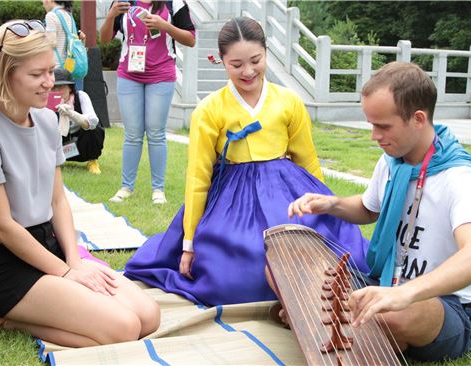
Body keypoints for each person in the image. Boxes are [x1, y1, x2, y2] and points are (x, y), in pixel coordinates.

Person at [123, 17, 369, 306]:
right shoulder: (209, 109)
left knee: (326, 256)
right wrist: (188, 245)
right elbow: (198, 177)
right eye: (236, 65)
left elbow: (307, 161)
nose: (248, 71)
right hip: (233, 199)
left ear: (266, 53)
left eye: (256, 60)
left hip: (287, 191)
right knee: (235, 278)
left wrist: (324, 208)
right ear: (221, 61)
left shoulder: (289, 101)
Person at [0, 19, 159, 347]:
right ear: (4, 75)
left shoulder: (49, 119)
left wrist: (75, 261)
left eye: (51, 71)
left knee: (148, 317)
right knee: (123, 329)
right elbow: (2, 227)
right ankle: (6, 319)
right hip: (7, 267)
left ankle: (35, 305)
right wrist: (66, 273)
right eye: (37, 75)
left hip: (53, 249)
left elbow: (58, 201)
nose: (49, 83)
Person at [288, 62, 471, 362]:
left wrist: (404, 294)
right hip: (386, 284)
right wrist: (331, 204)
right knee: (291, 271)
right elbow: (370, 209)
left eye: (383, 126)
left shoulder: (461, 177)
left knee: (392, 313)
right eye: (371, 124)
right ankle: (355, 327)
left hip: (447, 306)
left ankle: (337, 326)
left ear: (418, 119)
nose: (374, 135)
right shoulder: (392, 161)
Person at [100, 0, 196, 204]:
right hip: (129, 74)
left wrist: (166, 26)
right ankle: (126, 187)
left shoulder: (173, 3)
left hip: (161, 74)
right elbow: (104, 38)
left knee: (156, 133)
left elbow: (191, 39)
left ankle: (158, 190)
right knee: (132, 134)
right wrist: (110, 16)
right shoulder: (123, 2)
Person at [52, 68, 104, 174]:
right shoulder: (45, 101)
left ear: (70, 88)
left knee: (95, 128)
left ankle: (92, 161)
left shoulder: (81, 96)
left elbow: (92, 121)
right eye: (53, 87)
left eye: (61, 87)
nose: (57, 91)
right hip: (58, 144)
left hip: (79, 143)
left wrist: (71, 113)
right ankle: (50, 162)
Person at [42, 0, 85, 90]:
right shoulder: (68, 14)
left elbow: (51, 42)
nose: (43, 3)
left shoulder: (51, 15)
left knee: (55, 101)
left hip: (57, 68)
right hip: (70, 66)